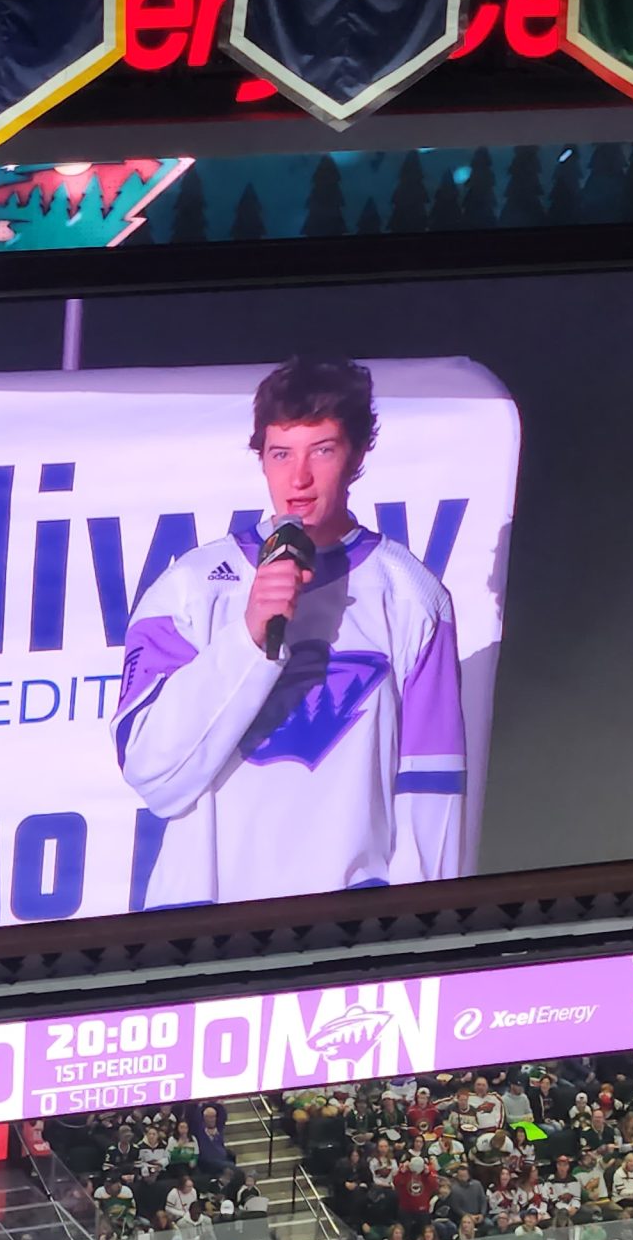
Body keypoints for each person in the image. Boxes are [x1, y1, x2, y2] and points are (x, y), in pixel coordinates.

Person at [116, 356, 466, 898]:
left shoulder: (413, 598)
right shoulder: (190, 589)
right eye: (281, 454)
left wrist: (417, 930)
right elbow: (152, 775)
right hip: (205, 923)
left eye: (322, 450)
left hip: (346, 930)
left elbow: (430, 798)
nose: (298, 478)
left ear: (358, 454)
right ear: (261, 458)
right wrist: (249, 636)